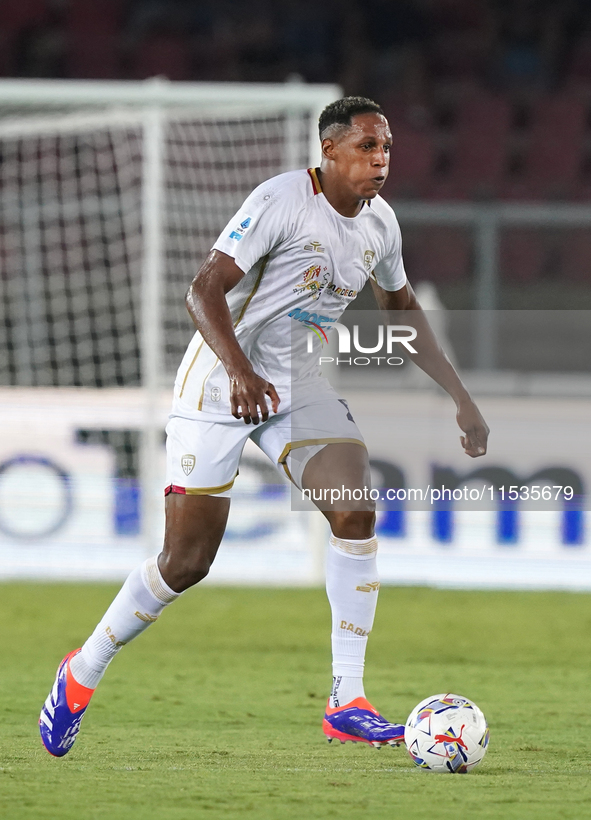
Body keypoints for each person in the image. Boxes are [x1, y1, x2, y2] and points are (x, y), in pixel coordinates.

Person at [39, 96, 489, 757]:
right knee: (185, 563)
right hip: (220, 385)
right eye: (366, 146)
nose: (380, 159)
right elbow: (203, 290)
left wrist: (458, 394)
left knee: (355, 512)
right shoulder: (281, 200)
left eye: (386, 147)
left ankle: (346, 699)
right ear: (329, 151)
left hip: (298, 385)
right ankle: (82, 672)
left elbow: (399, 308)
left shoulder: (380, 225)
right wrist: (242, 372)